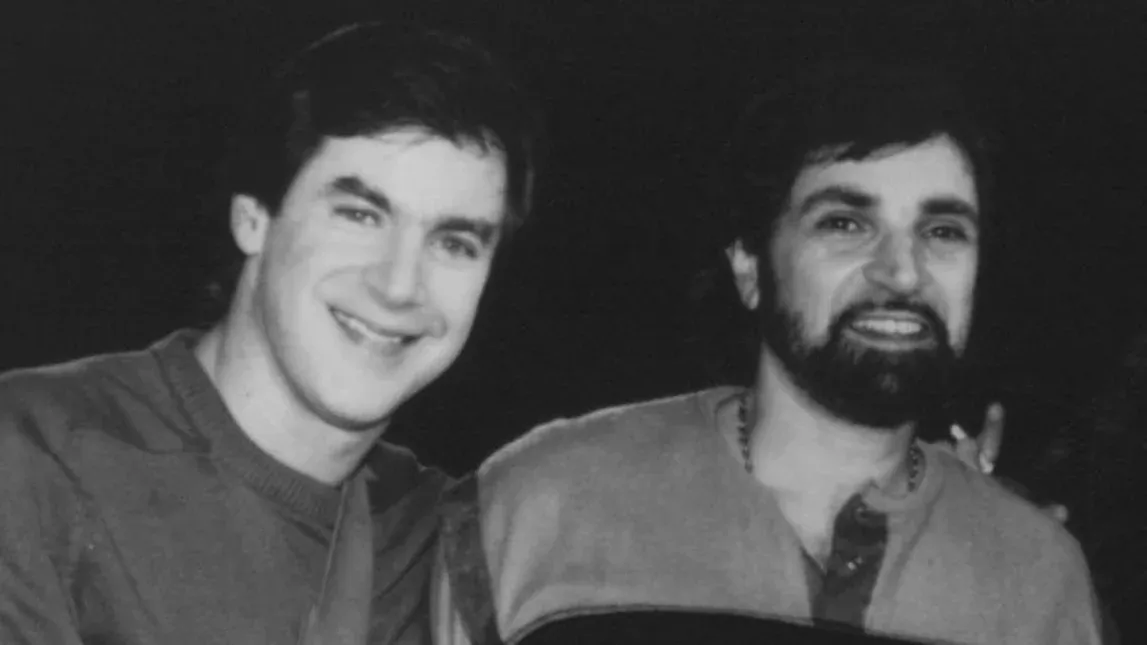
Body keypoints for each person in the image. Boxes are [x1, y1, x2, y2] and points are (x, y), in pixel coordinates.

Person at [431, 61, 1103, 644]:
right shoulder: (540, 502)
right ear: (750, 266)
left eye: (943, 230)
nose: (903, 272)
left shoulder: (1041, 577)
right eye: (845, 223)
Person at [0, 21, 541, 645]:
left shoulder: (460, 546)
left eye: (454, 243)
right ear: (253, 219)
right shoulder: (39, 456)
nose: (399, 286)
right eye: (360, 215)